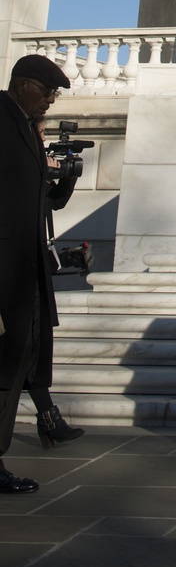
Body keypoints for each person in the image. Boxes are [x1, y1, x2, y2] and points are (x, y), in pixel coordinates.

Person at [0, 53, 73, 495]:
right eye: (47, 91)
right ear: (23, 84)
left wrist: (61, 183)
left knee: (14, 367)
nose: (50, 100)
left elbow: (34, 202)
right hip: (5, 276)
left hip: (24, 276)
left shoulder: (27, 128)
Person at [26, 113, 86, 449]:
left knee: (31, 349)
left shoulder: (34, 172)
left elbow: (55, 202)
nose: (44, 136)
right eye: (40, 130)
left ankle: (50, 419)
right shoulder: (19, 170)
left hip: (32, 271)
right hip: (17, 275)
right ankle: (50, 420)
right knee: (26, 348)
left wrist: (68, 172)